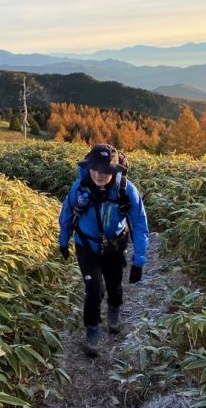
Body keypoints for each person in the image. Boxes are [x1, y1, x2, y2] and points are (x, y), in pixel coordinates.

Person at [58, 143, 149, 357]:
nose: (99, 174)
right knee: (93, 290)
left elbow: (139, 224)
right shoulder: (80, 187)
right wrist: (63, 242)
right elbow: (67, 214)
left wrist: (139, 261)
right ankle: (92, 331)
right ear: (89, 167)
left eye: (106, 170)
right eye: (95, 168)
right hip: (86, 245)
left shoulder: (126, 190)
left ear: (114, 170)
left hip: (114, 247)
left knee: (115, 287)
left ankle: (114, 313)